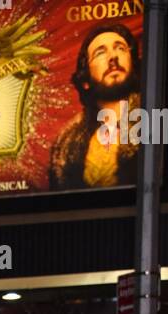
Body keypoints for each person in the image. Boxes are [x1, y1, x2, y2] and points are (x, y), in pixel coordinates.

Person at [49, 22, 141, 190]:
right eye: (100, 52)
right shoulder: (66, 143)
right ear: (85, 81)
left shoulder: (158, 119)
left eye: (120, 48)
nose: (113, 57)